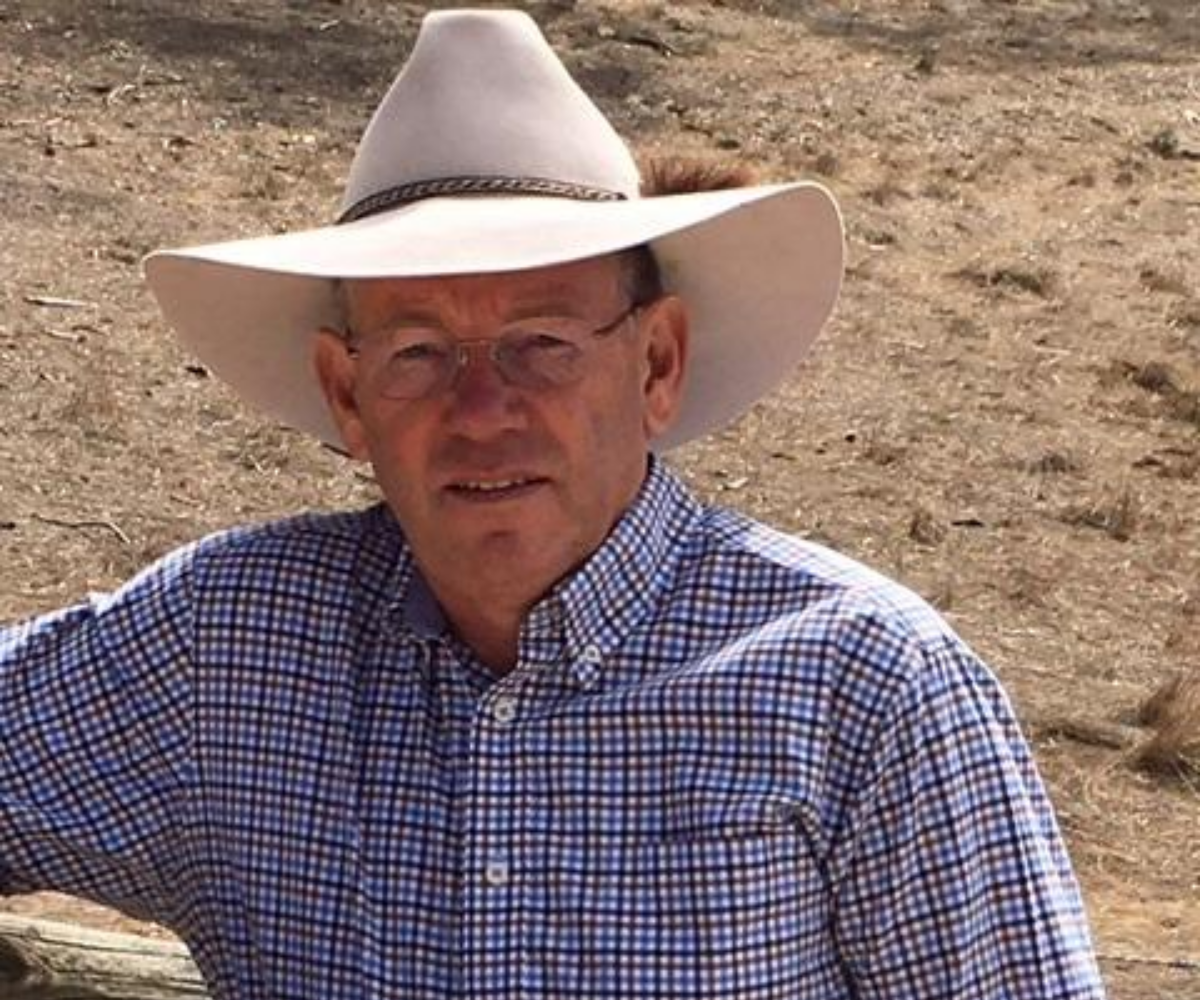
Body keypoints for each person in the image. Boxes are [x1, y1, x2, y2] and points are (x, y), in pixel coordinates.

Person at [0, 9, 1105, 1000]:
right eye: (420, 352)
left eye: (544, 344)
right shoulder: (227, 642)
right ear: (348, 392)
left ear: (657, 363)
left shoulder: (862, 687)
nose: (484, 411)